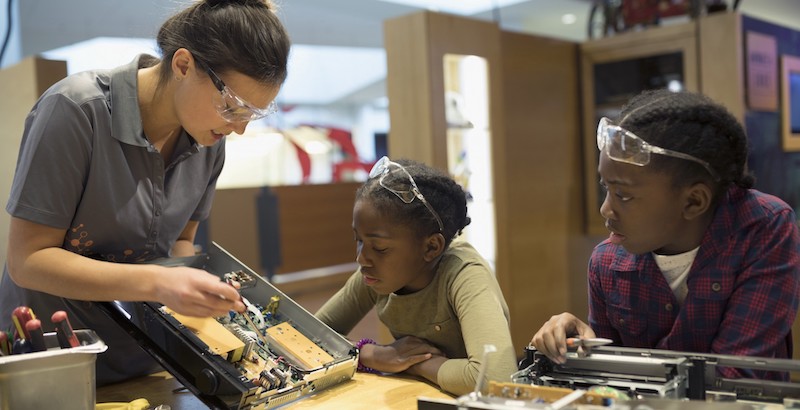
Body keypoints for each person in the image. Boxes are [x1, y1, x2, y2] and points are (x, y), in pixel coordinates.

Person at [0, 0, 290, 385]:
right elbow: (28, 260)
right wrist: (157, 281)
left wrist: (199, 286)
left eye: (252, 114)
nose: (239, 129)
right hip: (54, 361)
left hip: (145, 360)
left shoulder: (208, 141)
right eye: (232, 106)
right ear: (183, 65)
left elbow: (181, 241)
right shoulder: (76, 110)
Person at [530, 89, 800, 380]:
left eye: (623, 195)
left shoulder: (764, 229)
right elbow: (610, 387)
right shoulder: (606, 263)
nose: (605, 210)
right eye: (606, 188)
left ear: (693, 201)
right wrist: (579, 349)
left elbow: (735, 378)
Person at [315, 157, 517, 396]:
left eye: (379, 248)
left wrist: (418, 364)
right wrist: (372, 354)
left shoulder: (464, 274)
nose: (362, 258)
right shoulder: (373, 273)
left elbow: (495, 379)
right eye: (359, 241)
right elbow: (306, 336)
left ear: (431, 247)